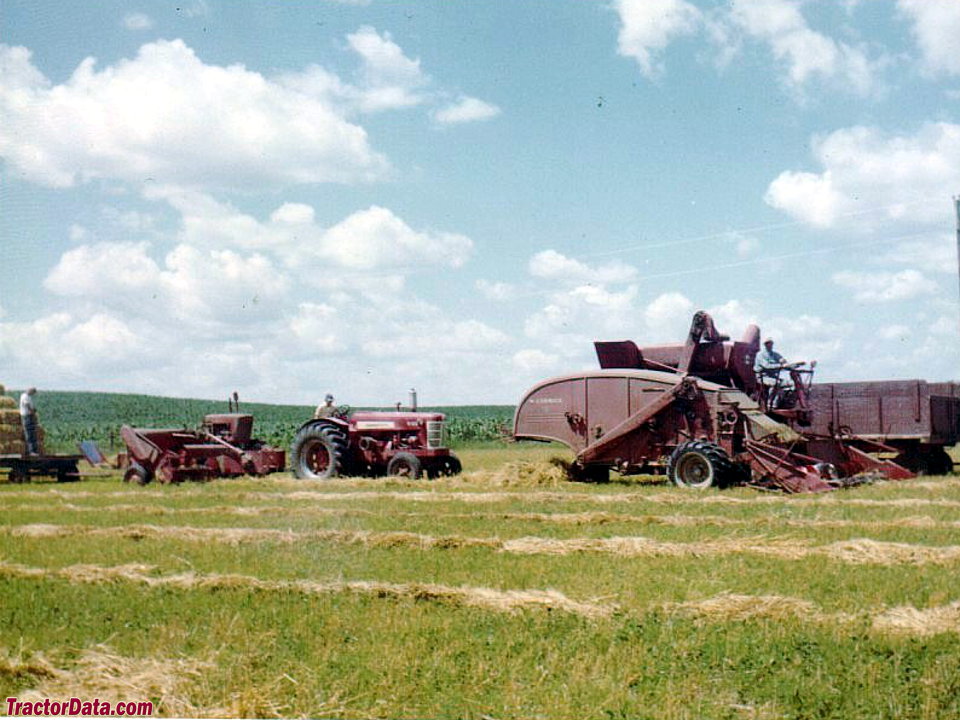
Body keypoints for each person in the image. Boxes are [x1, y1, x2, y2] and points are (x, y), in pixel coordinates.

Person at [19, 387, 39, 455]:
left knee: (32, 434)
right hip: (27, 416)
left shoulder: (28, 397)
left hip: (29, 416)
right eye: (33, 392)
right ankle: (31, 451)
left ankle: (34, 450)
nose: (33, 394)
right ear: (30, 391)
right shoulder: (24, 396)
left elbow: (31, 406)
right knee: (29, 434)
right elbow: (27, 405)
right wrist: (32, 411)